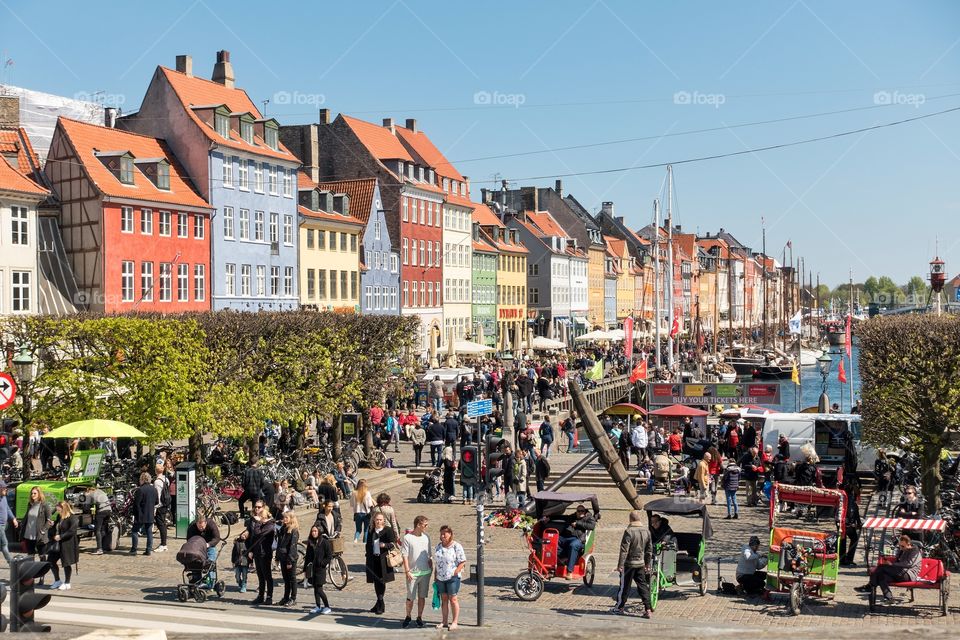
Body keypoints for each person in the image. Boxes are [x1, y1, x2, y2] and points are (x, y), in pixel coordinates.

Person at [854, 534, 922, 604]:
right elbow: (898, 561)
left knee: (881, 567)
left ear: (909, 544)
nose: (901, 548)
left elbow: (909, 564)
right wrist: (889, 562)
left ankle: (870, 586)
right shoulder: (902, 550)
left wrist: (892, 564)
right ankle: (889, 598)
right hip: (899, 573)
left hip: (908, 574)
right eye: (899, 546)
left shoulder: (915, 551)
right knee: (881, 575)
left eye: (903, 546)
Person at [612, 509, 653, 618]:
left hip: (629, 564)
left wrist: (620, 565)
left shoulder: (629, 531)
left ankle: (619, 607)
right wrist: (647, 564)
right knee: (643, 586)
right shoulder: (646, 531)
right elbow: (649, 550)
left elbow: (624, 550)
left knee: (624, 586)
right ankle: (648, 609)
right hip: (640, 563)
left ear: (630, 519)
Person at [433, 525, 466, 631]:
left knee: (453, 599)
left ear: (450, 534)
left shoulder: (456, 546)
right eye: (441, 533)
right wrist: (435, 575)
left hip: (452, 577)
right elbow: (437, 562)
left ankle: (455, 622)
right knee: (444, 599)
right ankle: (444, 621)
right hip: (440, 577)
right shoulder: (438, 546)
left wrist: (456, 571)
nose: (442, 536)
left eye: (445, 534)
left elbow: (462, 561)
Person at [401, 515, 432, 629]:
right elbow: (404, 555)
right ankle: (408, 616)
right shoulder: (408, 538)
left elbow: (429, 554)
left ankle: (419, 617)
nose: (426, 527)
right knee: (410, 597)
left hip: (425, 572)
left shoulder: (426, 537)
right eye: (425, 525)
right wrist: (407, 571)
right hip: (412, 573)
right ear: (418, 525)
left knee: (422, 597)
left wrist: (431, 567)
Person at [365, 511, 398, 615]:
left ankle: (380, 603)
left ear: (384, 521)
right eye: (377, 519)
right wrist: (367, 555)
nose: (378, 521)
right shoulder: (371, 530)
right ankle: (379, 603)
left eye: (380, 519)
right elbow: (368, 544)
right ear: (374, 520)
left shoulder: (388, 530)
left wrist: (384, 545)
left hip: (383, 560)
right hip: (373, 559)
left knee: (381, 581)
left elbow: (392, 544)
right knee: (376, 581)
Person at [555, 504, 596, 578]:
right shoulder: (573, 516)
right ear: (576, 512)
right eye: (578, 511)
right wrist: (549, 517)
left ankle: (569, 571)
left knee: (573, 545)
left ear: (585, 511)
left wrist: (577, 524)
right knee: (553, 540)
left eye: (582, 511)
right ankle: (559, 560)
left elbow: (592, 526)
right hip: (567, 537)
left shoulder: (589, 517)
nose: (580, 512)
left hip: (580, 539)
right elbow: (564, 517)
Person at [247, 499, 275, 605]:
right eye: (255, 507)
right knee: (260, 575)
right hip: (257, 551)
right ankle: (260, 596)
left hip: (265, 552)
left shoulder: (270, 523)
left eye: (259, 507)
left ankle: (269, 596)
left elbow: (259, 534)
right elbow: (252, 535)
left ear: (264, 508)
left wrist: (258, 522)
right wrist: (251, 549)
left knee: (267, 575)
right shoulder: (254, 520)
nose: (257, 509)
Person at [46, 500, 79, 590]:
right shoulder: (59, 517)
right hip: (57, 544)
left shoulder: (72, 518)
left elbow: (72, 531)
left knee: (66, 563)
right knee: (51, 561)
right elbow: (57, 527)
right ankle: (57, 580)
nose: (57, 511)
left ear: (63, 508)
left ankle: (67, 582)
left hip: (67, 544)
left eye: (59, 509)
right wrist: (53, 524)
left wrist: (61, 536)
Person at [187, 514, 222, 588]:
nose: (201, 528)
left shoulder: (211, 524)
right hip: (197, 547)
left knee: (210, 563)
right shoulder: (191, 527)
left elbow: (217, 538)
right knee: (195, 563)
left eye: (202, 526)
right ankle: (196, 581)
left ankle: (211, 583)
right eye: (199, 526)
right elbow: (189, 540)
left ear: (205, 523)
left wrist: (208, 544)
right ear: (196, 523)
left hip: (209, 545)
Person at [305, 524, 332, 614]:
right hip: (312, 569)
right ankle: (318, 606)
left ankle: (327, 606)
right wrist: (305, 569)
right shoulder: (310, 542)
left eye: (315, 531)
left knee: (319, 589)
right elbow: (308, 556)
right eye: (312, 531)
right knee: (315, 588)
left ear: (319, 532)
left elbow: (329, 556)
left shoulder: (324, 542)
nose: (313, 533)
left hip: (320, 569)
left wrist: (322, 563)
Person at [276, 511, 300, 606]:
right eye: (284, 517)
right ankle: (285, 597)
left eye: (286, 518)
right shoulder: (283, 528)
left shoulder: (294, 530)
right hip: (282, 556)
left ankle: (293, 598)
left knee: (292, 578)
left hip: (290, 557)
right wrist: (277, 557)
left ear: (291, 519)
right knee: (285, 579)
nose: (284, 519)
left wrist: (290, 560)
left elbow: (292, 547)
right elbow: (279, 544)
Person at [130, 472, 157, 556]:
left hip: (141, 514)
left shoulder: (140, 490)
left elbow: (136, 503)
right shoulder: (154, 489)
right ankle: (148, 549)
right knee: (149, 532)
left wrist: (135, 513)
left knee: (134, 531)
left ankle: (134, 549)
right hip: (150, 513)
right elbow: (157, 501)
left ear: (142, 479)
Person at [22, 486, 52, 558]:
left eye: (35, 493)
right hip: (28, 535)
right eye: (31, 493)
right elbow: (27, 517)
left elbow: (49, 521)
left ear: (39, 494)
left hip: (39, 535)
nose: (32, 495)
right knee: (30, 557)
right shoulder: (30, 504)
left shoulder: (45, 505)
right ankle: (31, 569)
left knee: (42, 557)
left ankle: (43, 569)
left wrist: (43, 531)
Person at [83, 485, 112, 555]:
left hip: (101, 511)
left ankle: (99, 549)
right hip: (109, 510)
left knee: (97, 530)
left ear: (88, 490)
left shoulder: (89, 493)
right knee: (103, 529)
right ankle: (104, 547)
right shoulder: (100, 491)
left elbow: (86, 508)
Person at [840, 484, 863, 567]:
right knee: (854, 539)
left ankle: (842, 559)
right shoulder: (851, 500)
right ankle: (849, 558)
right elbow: (854, 512)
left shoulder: (843, 498)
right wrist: (857, 523)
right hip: (848, 524)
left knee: (843, 541)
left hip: (841, 523)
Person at [350, 479, 374, 543]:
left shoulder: (354, 493)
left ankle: (355, 539)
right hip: (366, 514)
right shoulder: (367, 493)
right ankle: (365, 542)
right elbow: (370, 504)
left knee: (358, 529)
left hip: (357, 513)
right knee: (366, 530)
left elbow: (352, 504)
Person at [153, 464, 170, 552]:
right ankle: (163, 543)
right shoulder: (165, 479)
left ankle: (163, 544)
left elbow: (158, 496)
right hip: (166, 504)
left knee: (161, 525)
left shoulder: (157, 482)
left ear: (156, 471)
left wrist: (155, 507)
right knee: (163, 524)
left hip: (160, 506)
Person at [0, 482, 17, 564]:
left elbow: (7, 508)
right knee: (4, 544)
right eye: (4, 488)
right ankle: (11, 563)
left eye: (6, 487)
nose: (6, 489)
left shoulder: (3, 497)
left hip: (4, 525)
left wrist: (13, 518)